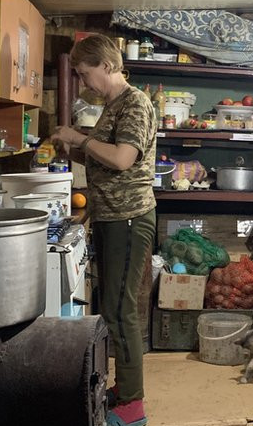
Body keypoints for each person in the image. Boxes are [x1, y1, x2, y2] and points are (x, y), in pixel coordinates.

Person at [52, 33, 156, 426]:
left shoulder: (134, 103)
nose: (82, 82)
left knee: (121, 309)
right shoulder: (113, 105)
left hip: (128, 218)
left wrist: (79, 137)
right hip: (112, 216)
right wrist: (76, 147)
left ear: (107, 65)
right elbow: (105, 153)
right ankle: (124, 390)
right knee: (112, 308)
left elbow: (123, 158)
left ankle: (132, 407)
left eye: (85, 73)